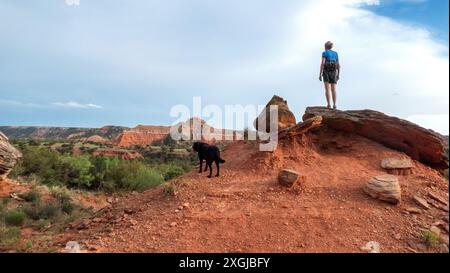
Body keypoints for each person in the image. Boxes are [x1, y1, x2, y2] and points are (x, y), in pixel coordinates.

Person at [319, 41, 340, 109]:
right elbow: (338, 65)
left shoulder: (324, 53)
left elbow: (322, 63)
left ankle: (328, 104)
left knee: (327, 89)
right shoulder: (335, 53)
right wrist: (338, 74)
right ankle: (334, 104)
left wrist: (320, 73)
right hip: (334, 71)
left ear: (325, 47)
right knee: (333, 89)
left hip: (326, 71)